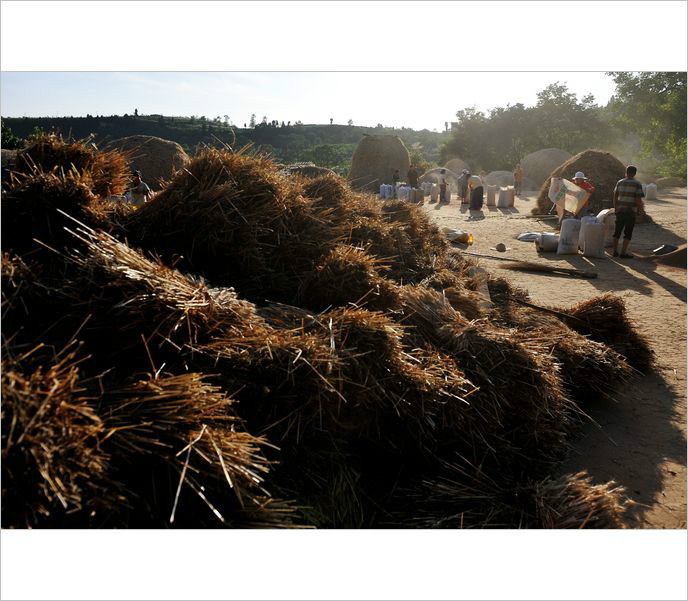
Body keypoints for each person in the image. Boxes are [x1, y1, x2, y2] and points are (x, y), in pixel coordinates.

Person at [612, 165, 645, 258]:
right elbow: (638, 200)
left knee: (617, 231)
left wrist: (616, 208)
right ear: (635, 174)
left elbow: (615, 195)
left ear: (626, 172)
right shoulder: (637, 184)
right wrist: (641, 212)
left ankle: (615, 252)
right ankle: (623, 253)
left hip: (620, 210)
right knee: (628, 232)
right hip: (631, 212)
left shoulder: (620, 182)